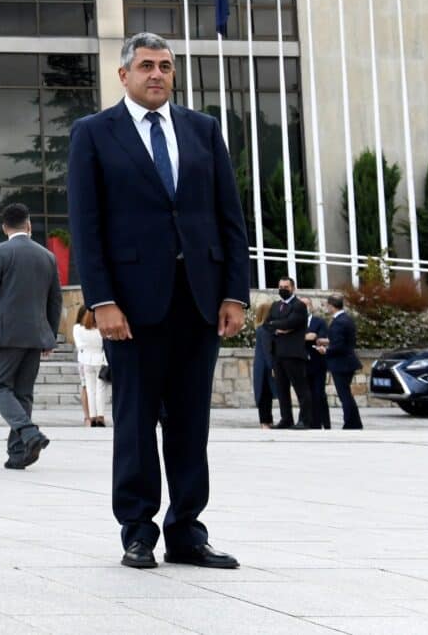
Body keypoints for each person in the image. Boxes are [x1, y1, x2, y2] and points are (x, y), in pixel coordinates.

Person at [68, 32, 250, 571]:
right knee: (136, 420)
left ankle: (188, 532)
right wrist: (101, 299)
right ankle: (138, 531)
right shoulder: (94, 135)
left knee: (192, 423)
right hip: (131, 307)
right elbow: (87, 225)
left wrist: (235, 293)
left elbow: (229, 219)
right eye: (146, 65)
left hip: (199, 302)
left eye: (166, 66)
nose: (157, 74)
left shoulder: (203, 130)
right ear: (123, 75)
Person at [0, 203, 64, 466]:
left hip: (4, 335)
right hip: (35, 336)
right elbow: (55, 301)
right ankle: (18, 453)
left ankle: (29, 433)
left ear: (4, 227)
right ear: (29, 225)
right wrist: (49, 336)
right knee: (23, 393)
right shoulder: (48, 257)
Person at [268, 278, 313, 429]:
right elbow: (267, 324)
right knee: (281, 389)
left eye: (286, 287)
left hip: (293, 353)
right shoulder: (275, 305)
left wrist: (278, 325)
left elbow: (291, 323)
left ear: (293, 288)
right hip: (278, 353)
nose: (283, 289)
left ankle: (305, 420)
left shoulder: (299, 306)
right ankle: (286, 419)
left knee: (301, 388)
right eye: (280, 287)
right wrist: (278, 326)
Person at [321, 294, 364, 429]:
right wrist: (327, 341)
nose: (326, 308)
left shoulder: (339, 321)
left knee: (344, 395)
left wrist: (325, 350)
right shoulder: (346, 319)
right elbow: (342, 341)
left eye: (327, 305)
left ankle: (351, 423)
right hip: (346, 362)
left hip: (342, 363)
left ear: (332, 306)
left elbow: (339, 346)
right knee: (346, 394)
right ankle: (355, 422)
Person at [73, 306, 112, 427]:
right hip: (99, 359)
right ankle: (100, 417)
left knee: (90, 390)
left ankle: (92, 417)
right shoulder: (101, 329)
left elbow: (79, 345)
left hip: (85, 360)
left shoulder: (77, 328)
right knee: (100, 390)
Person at [304, 303, 333, 429]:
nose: (305, 307)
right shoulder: (296, 321)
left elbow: (319, 337)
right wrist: (307, 337)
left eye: (307, 304)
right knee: (306, 395)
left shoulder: (319, 321)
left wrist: (312, 337)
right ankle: (310, 422)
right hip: (302, 363)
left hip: (318, 363)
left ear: (311, 306)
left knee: (319, 394)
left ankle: (325, 423)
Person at [251, 301, 276, 428]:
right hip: (265, 368)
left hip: (260, 366)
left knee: (264, 394)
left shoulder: (261, 329)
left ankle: (266, 421)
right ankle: (265, 422)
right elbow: (267, 350)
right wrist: (272, 367)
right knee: (265, 394)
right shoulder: (265, 330)